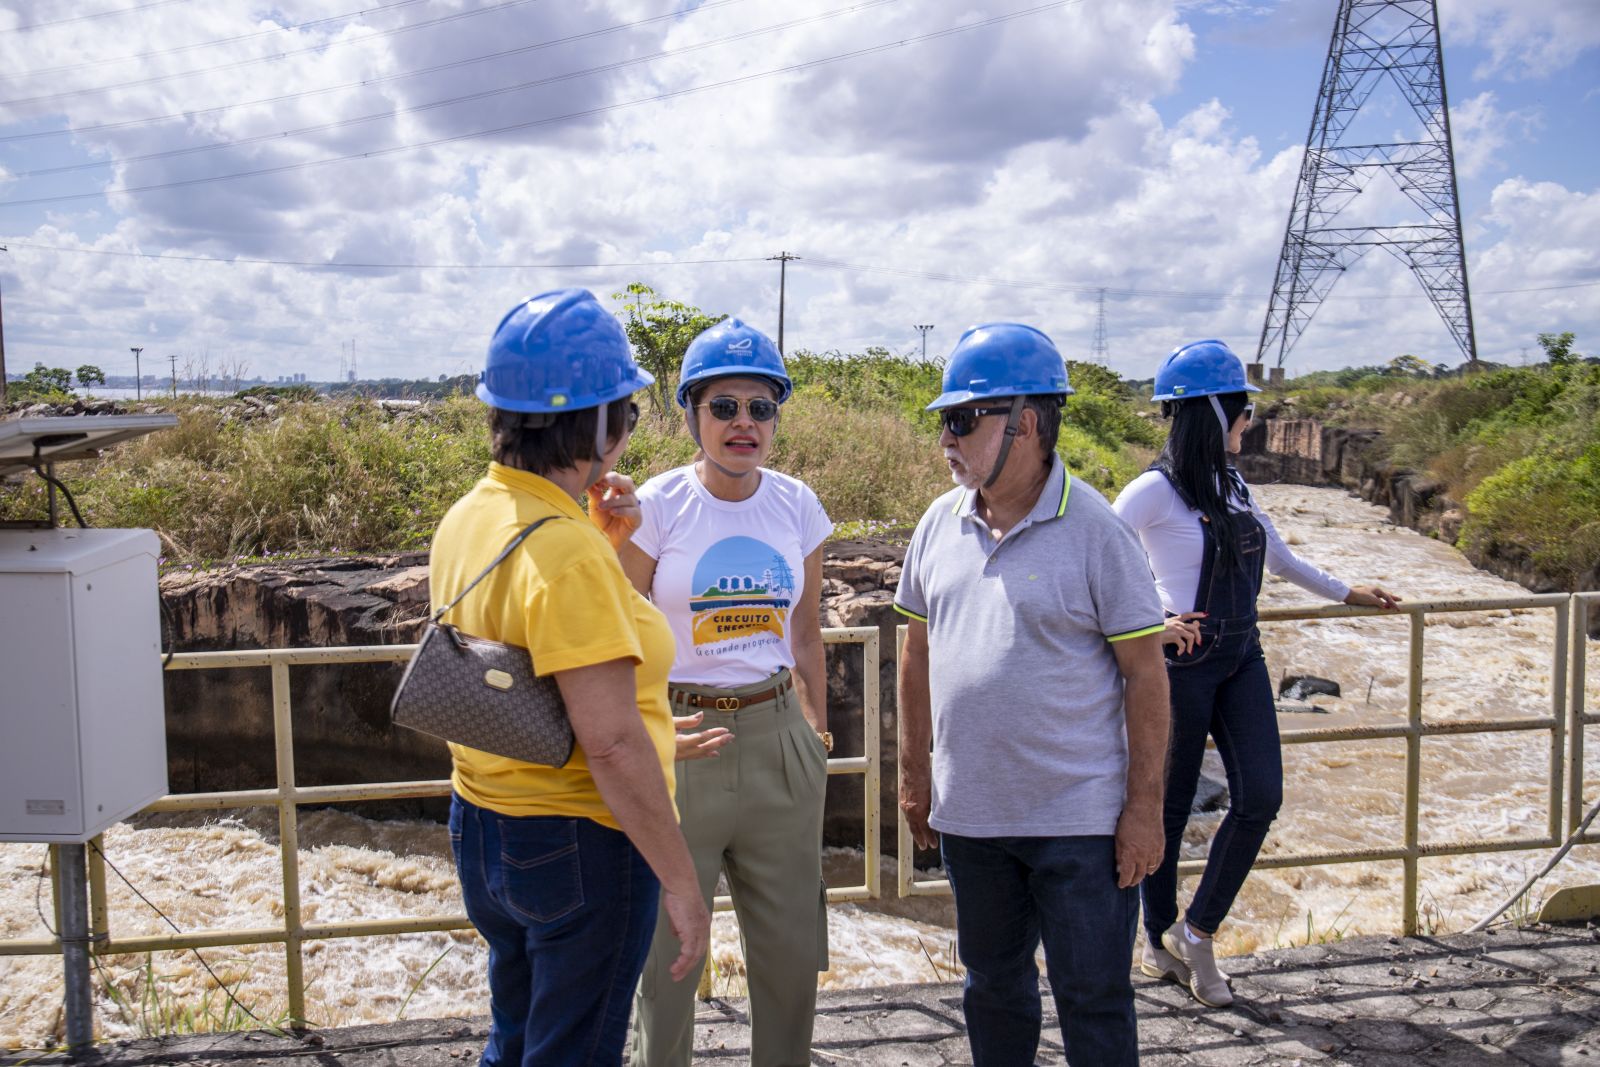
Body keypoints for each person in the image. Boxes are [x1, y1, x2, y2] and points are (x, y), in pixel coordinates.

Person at [431, 289, 709, 1067]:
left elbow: (526, 663)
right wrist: (682, 883)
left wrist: (599, 537)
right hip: (580, 842)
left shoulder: (471, 516)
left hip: (485, 826)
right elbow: (612, 744)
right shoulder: (567, 552)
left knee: (514, 1041)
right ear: (598, 424)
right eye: (623, 410)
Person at [895, 322, 1171, 1066]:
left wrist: (1144, 809)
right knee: (992, 989)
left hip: (1078, 823)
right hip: (974, 819)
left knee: (1094, 997)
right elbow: (915, 650)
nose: (945, 440)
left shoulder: (1097, 530)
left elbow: (1146, 675)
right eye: (943, 422)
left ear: (1024, 423)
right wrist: (915, 773)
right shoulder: (937, 522)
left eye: (961, 421)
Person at [1113, 339, 1401, 1010]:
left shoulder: (1235, 483)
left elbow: (1280, 558)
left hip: (1243, 658)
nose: (1250, 423)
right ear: (1213, 414)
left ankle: (1197, 929)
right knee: (1167, 803)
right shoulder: (1149, 491)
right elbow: (1105, 561)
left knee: (1261, 794)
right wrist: (1153, 617)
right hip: (1179, 665)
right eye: (1242, 411)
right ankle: (1157, 940)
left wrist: (1348, 591)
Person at [622, 319, 833, 1067]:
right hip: (679, 742)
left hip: (777, 737)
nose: (744, 423)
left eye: (761, 407)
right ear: (691, 414)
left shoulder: (797, 505)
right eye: (724, 406)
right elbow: (620, 639)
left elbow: (805, 633)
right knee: (669, 965)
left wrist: (816, 733)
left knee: (788, 963)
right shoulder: (656, 506)